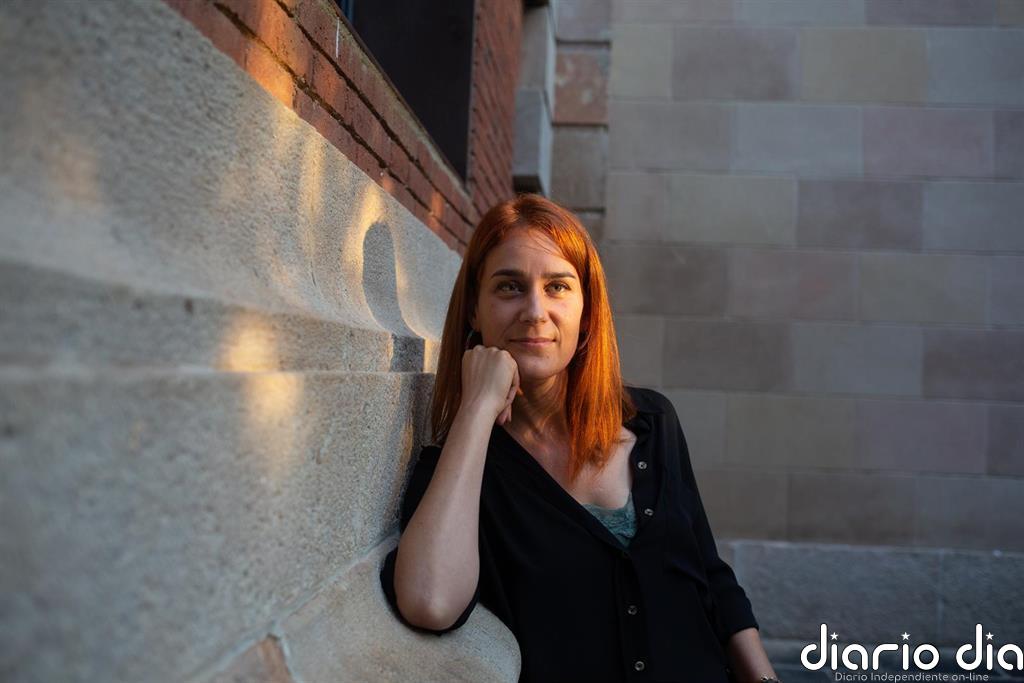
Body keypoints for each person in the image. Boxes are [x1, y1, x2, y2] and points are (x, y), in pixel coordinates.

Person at [379, 194, 780, 683]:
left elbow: (709, 574)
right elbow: (430, 601)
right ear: (474, 311)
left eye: (557, 287)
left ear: (586, 310)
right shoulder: (463, 468)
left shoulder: (653, 424)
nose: (535, 311)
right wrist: (476, 408)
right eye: (509, 287)